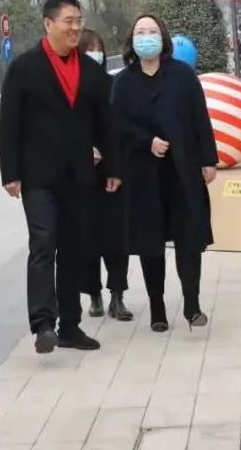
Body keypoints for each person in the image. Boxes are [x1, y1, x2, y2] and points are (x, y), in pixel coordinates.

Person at [0, 0, 120, 354]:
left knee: (73, 249)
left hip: (79, 174)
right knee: (43, 243)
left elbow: (106, 124)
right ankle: (43, 324)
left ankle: (70, 326)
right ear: (48, 24)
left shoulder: (91, 72)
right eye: (69, 21)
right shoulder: (24, 68)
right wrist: (10, 173)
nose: (75, 28)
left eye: (79, 21)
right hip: (38, 175)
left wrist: (113, 166)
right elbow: (9, 124)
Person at [111, 14, 219, 333]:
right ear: (132, 41)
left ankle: (192, 304)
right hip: (143, 173)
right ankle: (157, 306)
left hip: (182, 170)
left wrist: (208, 159)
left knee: (189, 238)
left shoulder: (183, 76)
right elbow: (117, 125)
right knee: (151, 242)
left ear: (163, 38)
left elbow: (200, 119)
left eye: (152, 31)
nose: (147, 37)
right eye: (140, 32)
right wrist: (146, 141)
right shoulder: (123, 82)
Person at [78, 29, 132, 323]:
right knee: (87, 239)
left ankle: (117, 295)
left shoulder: (113, 86)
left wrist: (115, 169)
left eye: (98, 48)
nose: (94, 54)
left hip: (111, 174)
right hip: (81, 175)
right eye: (88, 49)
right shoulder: (69, 88)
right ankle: (93, 294)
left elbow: (118, 132)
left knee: (116, 238)